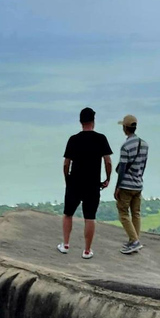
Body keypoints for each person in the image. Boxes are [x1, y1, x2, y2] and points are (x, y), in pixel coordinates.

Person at [58, 107, 113, 259]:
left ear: (80, 122)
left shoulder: (73, 139)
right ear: (93, 122)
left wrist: (67, 180)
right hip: (92, 183)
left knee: (68, 214)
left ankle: (66, 245)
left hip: (74, 183)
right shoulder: (100, 138)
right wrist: (107, 178)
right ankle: (87, 251)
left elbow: (65, 164)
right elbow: (108, 161)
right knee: (90, 217)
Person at [115, 114, 149, 255]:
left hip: (126, 186)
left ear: (125, 128)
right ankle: (134, 239)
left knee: (123, 213)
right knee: (136, 213)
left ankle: (134, 241)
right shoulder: (144, 144)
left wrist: (117, 187)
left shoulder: (125, 146)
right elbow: (143, 165)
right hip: (138, 184)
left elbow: (122, 168)